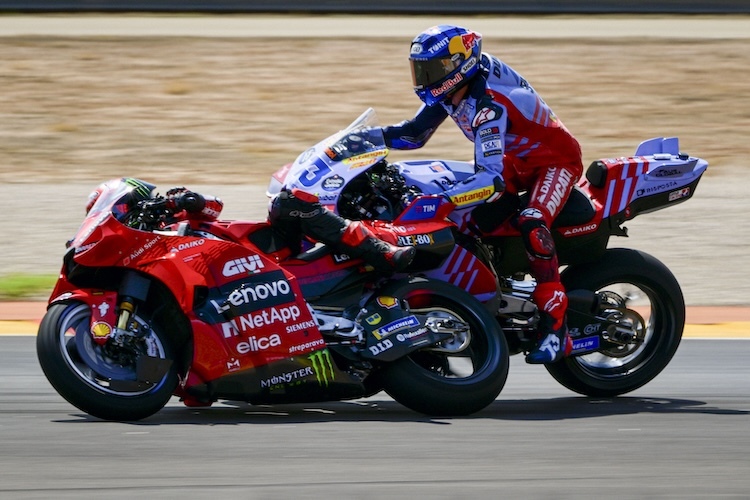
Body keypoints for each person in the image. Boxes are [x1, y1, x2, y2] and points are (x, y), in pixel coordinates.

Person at [381, 24, 582, 363]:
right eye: (421, 69)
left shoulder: (487, 104)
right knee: (465, 219)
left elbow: (490, 181)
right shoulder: (456, 84)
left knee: (532, 221)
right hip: (514, 159)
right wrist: (355, 144)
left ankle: (556, 326)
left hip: (553, 162)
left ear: (458, 64)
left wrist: (440, 202)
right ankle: (490, 288)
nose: (425, 77)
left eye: (434, 69)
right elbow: (413, 135)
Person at [268, 188, 416, 273]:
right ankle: (385, 253)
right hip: (268, 276)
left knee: (285, 201)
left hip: (276, 264)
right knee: (289, 201)